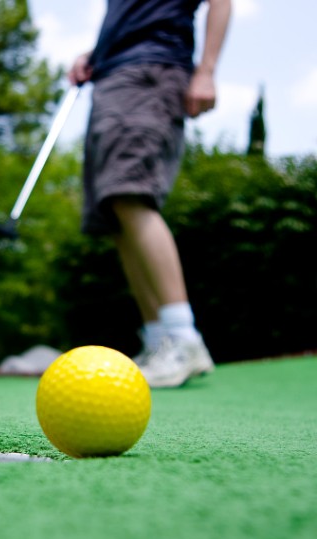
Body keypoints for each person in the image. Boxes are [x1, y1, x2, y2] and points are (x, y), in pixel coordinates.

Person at [68, 0, 232, 388]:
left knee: (131, 196)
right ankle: (160, 340)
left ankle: (183, 338)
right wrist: (96, 54)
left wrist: (206, 70)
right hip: (114, 74)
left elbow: (222, 2)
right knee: (116, 214)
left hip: (150, 72)